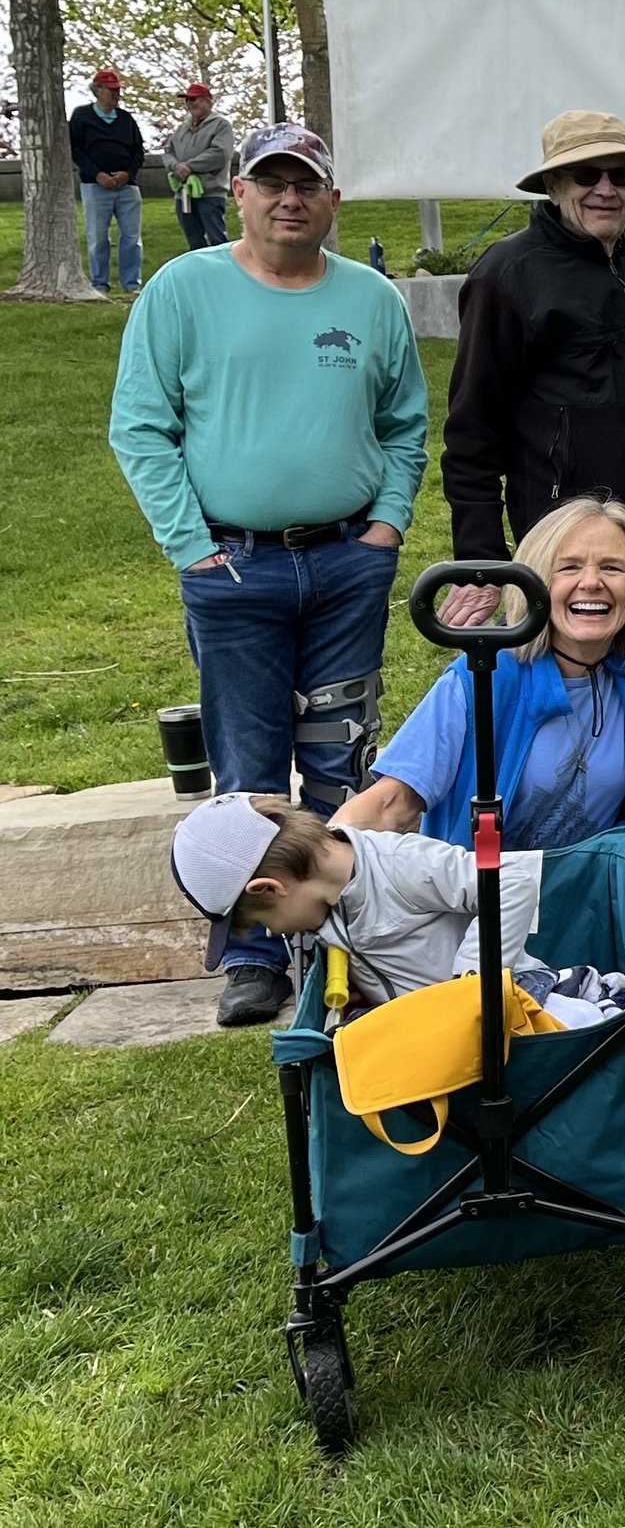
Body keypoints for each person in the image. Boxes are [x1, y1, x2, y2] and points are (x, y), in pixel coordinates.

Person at [108, 123, 426, 1027]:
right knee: (246, 768)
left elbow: (405, 423)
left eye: (308, 185)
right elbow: (141, 427)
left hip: (346, 564)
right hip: (232, 564)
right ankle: (253, 953)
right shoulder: (183, 290)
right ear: (238, 192)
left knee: (339, 755)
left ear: (333, 201)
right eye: (271, 182)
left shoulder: (371, 300)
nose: (290, 199)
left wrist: (387, 525)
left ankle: (342, 937)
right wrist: (190, 547)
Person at [332, 497, 625, 1100]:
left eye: (613, 569)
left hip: (595, 881)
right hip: (489, 894)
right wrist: (323, 861)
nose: (591, 583)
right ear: (536, 585)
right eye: (568, 567)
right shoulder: (483, 674)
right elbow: (392, 803)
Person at [439, 111, 625, 679]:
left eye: (620, 177)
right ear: (553, 186)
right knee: (568, 718)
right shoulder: (508, 274)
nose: (606, 189)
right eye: (586, 175)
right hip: (569, 551)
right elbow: (471, 430)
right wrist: (482, 562)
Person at [170, 791, 553, 1006]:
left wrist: (469, 981)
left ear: (269, 888)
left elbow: (512, 880)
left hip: (515, 1002)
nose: (271, 932)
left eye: (260, 921)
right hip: (433, 1030)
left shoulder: (398, 864)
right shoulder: (327, 898)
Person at [70, 65, 147, 294]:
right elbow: (75, 150)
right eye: (111, 89)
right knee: (98, 238)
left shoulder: (126, 119)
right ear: (97, 90)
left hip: (127, 186)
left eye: (118, 89)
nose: (116, 94)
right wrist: (97, 174)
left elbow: (138, 152)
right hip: (95, 186)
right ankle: (100, 283)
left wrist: (127, 174)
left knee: (132, 237)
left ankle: (132, 284)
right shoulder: (82, 116)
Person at [161, 83, 234, 251]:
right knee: (194, 242)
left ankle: (224, 273)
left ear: (208, 102)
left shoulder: (221, 125)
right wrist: (176, 166)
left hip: (210, 194)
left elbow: (220, 154)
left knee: (217, 242)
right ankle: (199, 275)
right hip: (184, 195)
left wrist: (190, 166)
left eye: (194, 99)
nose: (190, 103)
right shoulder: (182, 128)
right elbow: (167, 151)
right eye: (187, 100)